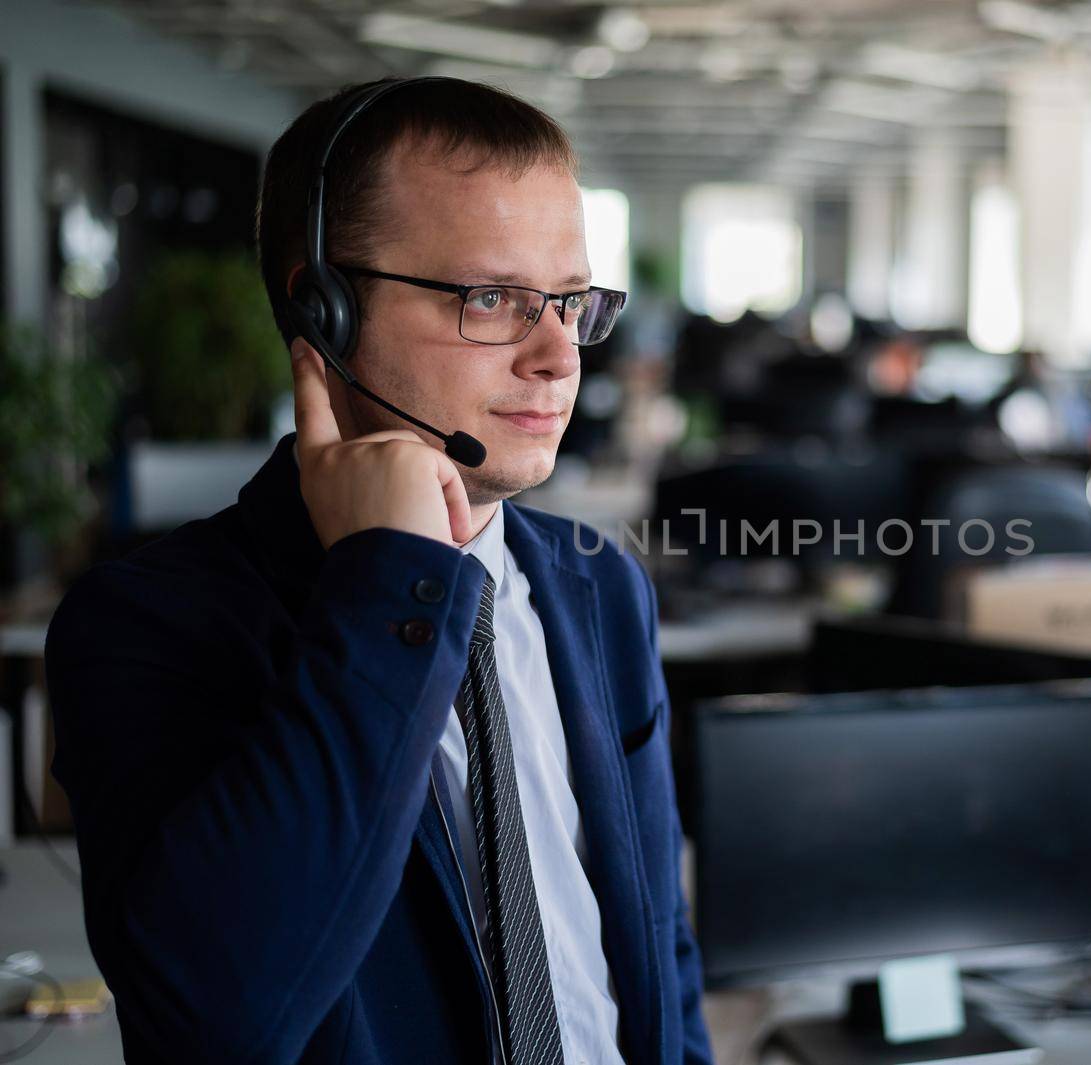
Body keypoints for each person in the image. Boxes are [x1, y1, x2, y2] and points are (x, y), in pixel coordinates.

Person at [44, 76, 712, 1065]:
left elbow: (656, 946)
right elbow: (221, 1021)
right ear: (324, 311)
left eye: (570, 303)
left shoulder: (599, 587)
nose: (558, 357)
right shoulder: (150, 623)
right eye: (492, 298)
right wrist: (388, 580)